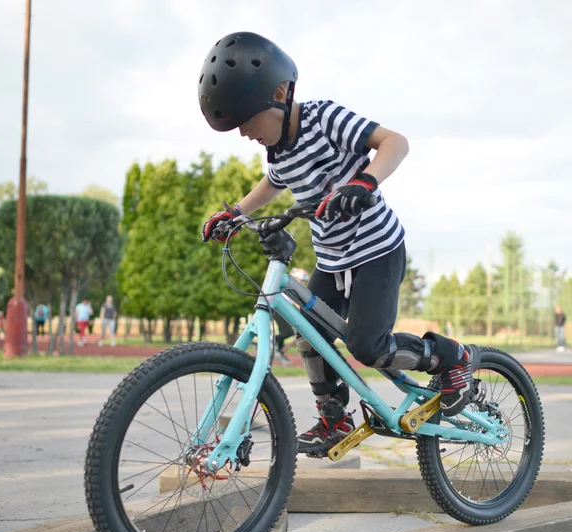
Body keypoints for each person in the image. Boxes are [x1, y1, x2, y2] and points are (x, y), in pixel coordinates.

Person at [199, 32, 481, 455]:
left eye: (246, 120)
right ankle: (334, 417)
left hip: (376, 250)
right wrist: (237, 212)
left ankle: (453, 357)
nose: (243, 133)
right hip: (332, 258)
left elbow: (394, 143)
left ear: (279, 94)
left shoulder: (324, 118)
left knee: (367, 346)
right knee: (307, 334)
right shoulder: (276, 148)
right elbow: (276, 181)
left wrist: (364, 181)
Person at [273, 268, 311, 365]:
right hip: (278, 310)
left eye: (304, 281)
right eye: (302, 281)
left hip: (280, 309)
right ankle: (271, 340)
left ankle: (279, 351)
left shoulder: (288, 287)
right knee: (288, 332)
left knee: (284, 332)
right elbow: (297, 305)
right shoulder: (290, 288)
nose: (303, 283)